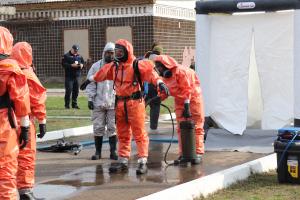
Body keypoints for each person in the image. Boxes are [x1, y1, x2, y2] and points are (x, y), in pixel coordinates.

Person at [80, 39, 169, 175]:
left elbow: (151, 74)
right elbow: (102, 73)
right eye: (116, 52)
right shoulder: (115, 67)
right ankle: (123, 159)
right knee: (122, 134)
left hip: (135, 103)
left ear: (127, 52)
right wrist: (89, 80)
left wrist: (160, 83)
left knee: (139, 134)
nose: (118, 54)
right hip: (120, 104)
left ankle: (142, 161)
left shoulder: (137, 65)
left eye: (120, 52)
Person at [10, 42, 47, 200]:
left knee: (7, 158)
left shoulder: (8, 71)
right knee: (26, 155)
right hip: (25, 120)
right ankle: (25, 191)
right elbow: (36, 100)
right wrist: (42, 120)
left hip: (7, 120)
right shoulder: (29, 75)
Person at [153, 55, 204, 164]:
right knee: (181, 128)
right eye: (157, 68)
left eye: (160, 67)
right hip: (180, 100)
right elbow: (165, 92)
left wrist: (187, 106)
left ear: (166, 66)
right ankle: (184, 154)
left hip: (194, 99)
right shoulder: (165, 78)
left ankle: (198, 153)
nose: (159, 70)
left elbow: (187, 89)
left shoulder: (181, 72)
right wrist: (158, 98)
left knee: (196, 126)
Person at [0, 26, 31, 200]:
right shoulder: (12, 71)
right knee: (5, 169)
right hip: (4, 122)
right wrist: (25, 128)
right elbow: (21, 101)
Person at [86, 42, 118, 161]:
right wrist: (90, 98)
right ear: (104, 53)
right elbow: (90, 83)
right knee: (98, 127)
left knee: (112, 127)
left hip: (113, 102)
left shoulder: (117, 67)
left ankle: (113, 152)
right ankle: (98, 152)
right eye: (108, 53)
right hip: (98, 102)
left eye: (112, 53)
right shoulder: (96, 66)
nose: (110, 55)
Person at [144, 44, 164, 133]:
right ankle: (153, 128)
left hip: (144, 87)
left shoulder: (146, 58)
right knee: (155, 107)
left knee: (140, 107)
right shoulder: (160, 59)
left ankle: (135, 127)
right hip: (155, 86)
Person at [62, 44, 84, 109]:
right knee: (68, 91)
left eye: (76, 51)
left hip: (77, 76)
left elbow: (83, 63)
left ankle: (74, 105)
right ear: (72, 49)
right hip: (69, 77)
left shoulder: (79, 56)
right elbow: (63, 64)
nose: (75, 52)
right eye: (74, 50)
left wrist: (82, 65)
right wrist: (71, 65)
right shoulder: (66, 56)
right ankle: (67, 105)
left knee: (76, 91)